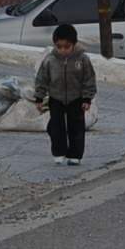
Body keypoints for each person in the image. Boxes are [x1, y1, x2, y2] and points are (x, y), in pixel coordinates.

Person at [30, 23, 97, 167]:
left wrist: (87, 98)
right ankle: (59, 152)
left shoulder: (82, 59)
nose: (63, 50)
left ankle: (75, 155)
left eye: (67, 47)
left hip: (76, 99)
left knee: (76, 128)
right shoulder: (49, 60)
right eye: (59, 47)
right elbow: (42, 79)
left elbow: (89, 79)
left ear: (74, 44)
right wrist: (39, 97)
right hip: (56, 98)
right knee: (56, 127)